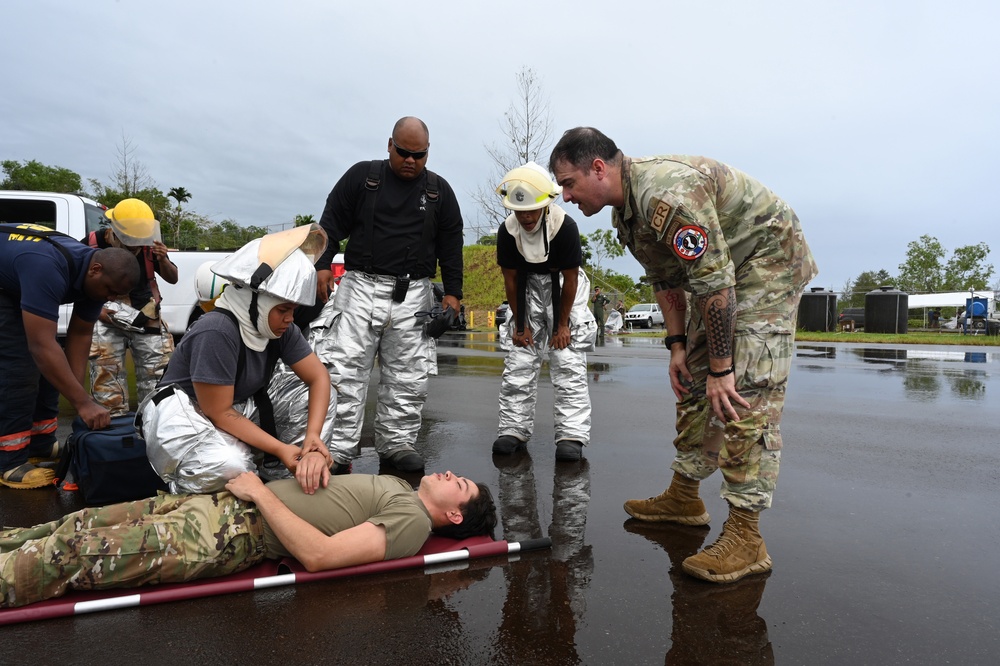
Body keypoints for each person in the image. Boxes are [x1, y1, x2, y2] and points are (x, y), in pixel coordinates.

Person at [550, 127, 818, 584]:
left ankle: (747, 535)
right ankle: (685, 496)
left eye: (569, 183)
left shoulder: (667, 196)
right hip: (722, 274)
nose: (565, 196)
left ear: (598, 169)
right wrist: (678, 347)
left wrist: (722, 367)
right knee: (693, 380)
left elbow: (715, 282)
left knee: (744, 388)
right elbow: (667, 280)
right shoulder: (628, 216)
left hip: (766, 261)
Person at [0, 468, 497, 608]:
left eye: (461, 484)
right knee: (72, 524)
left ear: (454, 515)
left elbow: (319, 556)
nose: (452, 473)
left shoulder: (411, 520)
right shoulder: (399, 487)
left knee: (69, 555)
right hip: (216, 505)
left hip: (229, 531)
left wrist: (260, 492)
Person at [311, 116, 465, 472]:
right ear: (389, 145)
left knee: (408, 376)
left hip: (413, 293)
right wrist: (322, 264)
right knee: (343, 372)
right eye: (404, 152)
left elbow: (451, 245)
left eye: (419, 155)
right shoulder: (364, 178)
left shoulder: (439, 191)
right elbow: (329, 223)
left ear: (428, 154)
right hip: (360, 287)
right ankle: (337, 448)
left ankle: (397, 442)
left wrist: (453, 294)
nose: (410, 161)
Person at [138, 224, 336, 494]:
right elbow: (217, 412)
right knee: (228, 466)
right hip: (182, 412)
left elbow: (318, 378)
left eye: (294, 310)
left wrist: (312, 437)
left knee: (319, 396)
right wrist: (280, 448)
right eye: (283, 309)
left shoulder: (281, 328)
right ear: (253, 301)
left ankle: (289, 473)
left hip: (232, 406)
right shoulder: (217, 330)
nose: (290, 318)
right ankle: (192, 492)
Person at [0, 223, 138, 489]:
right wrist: (84, 403)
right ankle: (9, 461)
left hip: (20, 280)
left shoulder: (95, 279)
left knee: (54, 366)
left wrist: (76, 395)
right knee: (19, 369)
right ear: (96, 270)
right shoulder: (46, 267)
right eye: (109, 291)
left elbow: (80, 335)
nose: (109, 298)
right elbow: (40, 346)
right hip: (4, 288)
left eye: (115, 295)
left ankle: (39, 442)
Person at [491, 162, 597, 462]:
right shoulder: (507, 231)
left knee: (567, 359)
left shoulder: (565, 227)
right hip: (525, 289)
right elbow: (510, 281)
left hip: (563, 287)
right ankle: (513, 429)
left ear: (544, 205)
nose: (525, 217)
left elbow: (572, 278)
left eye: (531, 211)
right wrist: (520, 323)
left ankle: (571, 434)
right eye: (519, 211)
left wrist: (562, 324)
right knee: (519, 358)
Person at [85, 198, 179, 416]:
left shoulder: (148, 245)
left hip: (144, 311)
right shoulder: (92, 244)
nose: (136, 246)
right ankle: (113, 425)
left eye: (140, 241)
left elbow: (173, 278)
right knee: (106, 371)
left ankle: (155, 420)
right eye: (131, 242)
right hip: (105, 310)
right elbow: (75, 282)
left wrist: (163, 260)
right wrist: (97, 311)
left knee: (158, 371)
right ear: (114, 230)